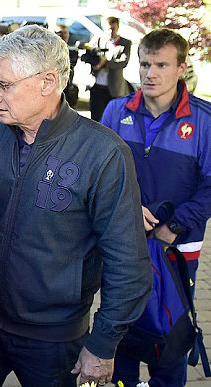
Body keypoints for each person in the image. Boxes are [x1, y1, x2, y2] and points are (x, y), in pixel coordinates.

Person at [0, 25, 151, 386]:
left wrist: (103, 344)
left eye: (3, 86)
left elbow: (128, 263)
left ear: (47, 82)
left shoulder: (103, 154)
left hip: (53, 339)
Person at [101, 28, 211, 387]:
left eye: (161, 65)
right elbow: (98, 175)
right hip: (122, 245)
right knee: (122, 335)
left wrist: (173, 226)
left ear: (181, 67)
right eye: (145, 64)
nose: (150, 74)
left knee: (169, 339)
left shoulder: (204, 120)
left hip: (177, 251)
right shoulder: (116, 111)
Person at [89, 17, 132, 121]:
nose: (111, 32)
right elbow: (90, 56)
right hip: (97, 87)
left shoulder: (125, 43)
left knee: (113, 120)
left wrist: (105, 63)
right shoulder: (98, 40)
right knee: (96, 119)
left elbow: (123, 62)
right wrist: (95, 64)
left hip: (113, 88)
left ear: (117, 27)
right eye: (108, 29)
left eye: (113, 29)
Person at [56, 23, 80, 107]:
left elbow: (68, 65)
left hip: (66, 89)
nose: (63, 35)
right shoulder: (49, 52)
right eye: (60, 33)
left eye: (65, 33)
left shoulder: (72, 52)